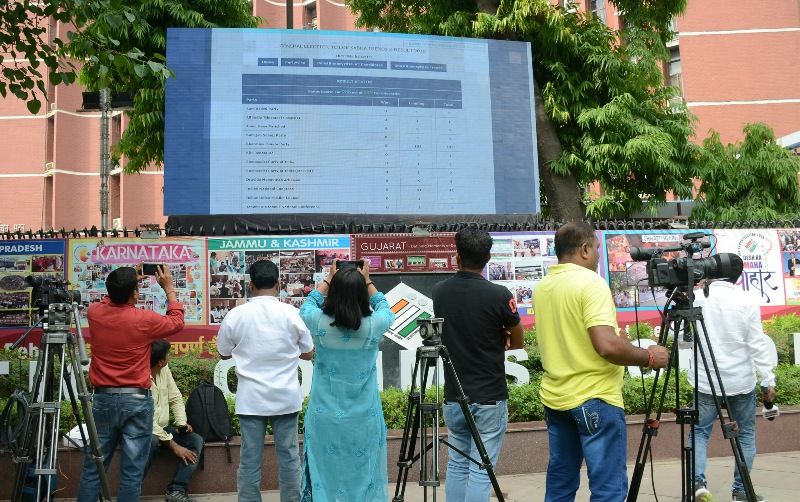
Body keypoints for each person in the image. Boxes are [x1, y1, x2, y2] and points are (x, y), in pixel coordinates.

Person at [531, 222, 669, 502]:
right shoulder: (591, 283)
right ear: (584, 249)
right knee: (608, 488)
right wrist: (650, 356)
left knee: (560, 482)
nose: (596, 255)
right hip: (595, 398)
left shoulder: (543, 286)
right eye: (595, 248)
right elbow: (606, 345)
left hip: (556, 399)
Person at [430, 227, 525, 501]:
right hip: (489, 397)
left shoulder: (440, 292)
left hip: (454, 397)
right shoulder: (498, 294)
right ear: (489, 257)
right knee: (483, 469)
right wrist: (501, 333)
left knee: (457, 465)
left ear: (456, 256)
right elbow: (517, 341)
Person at [77, 265, 185, 502]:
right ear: (135, 294)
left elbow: (110, 300)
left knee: (94, 468)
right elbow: (176, 322)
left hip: (102, 399)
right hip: (136, 400)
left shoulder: (95, 312)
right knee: (131, 472)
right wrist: (169, 290)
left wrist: (124, 284)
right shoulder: (144, 319)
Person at [216, 259, 314, 502]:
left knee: (249, 459)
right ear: (279, 283)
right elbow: (309, 352)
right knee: (289, 457)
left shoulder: (235, 315)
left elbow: (223, 352)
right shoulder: (293, 314)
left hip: (251, 400)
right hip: (286, 397)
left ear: (250, 285)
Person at [299, 259, 395, 501]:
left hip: (324, 418)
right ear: (361, 293)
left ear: (334, 292)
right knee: (363, 478)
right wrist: (367, 281)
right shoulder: (374, 326)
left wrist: (330, 279)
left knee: (325, 479)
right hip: (364, 419)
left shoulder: (318, 322)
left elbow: (307, 304)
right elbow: (385, 307)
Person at [688, 254, 776, 502]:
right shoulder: (746, 300)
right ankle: (741, 491)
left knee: (698, 433)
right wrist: (767, 380)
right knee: (745, 435)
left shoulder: (697, 298)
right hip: (740, 381)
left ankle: (697, 486)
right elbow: (758, 345)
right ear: (738, 276)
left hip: (705, 381)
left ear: (712, 270)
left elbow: (684, 342)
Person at [146, 339, 204, 502]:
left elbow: (175, 397)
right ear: (160, 360)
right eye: (168, 354)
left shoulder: (164, 370)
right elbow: (146, 423)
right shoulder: (139, 377)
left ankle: (177, 490)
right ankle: (131, 489)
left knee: (195, 440)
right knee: (151, 440)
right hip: (144, 432)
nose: (169, 356)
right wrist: (174, 445)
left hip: (163, 430)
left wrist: (181, 424)